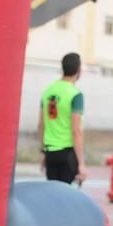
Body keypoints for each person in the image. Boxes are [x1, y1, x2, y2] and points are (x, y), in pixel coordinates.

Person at [38, 52, 86, 185]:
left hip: (51, 153)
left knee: (53, 196)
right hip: (67, 153)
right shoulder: (75, 95)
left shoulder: (48, 91)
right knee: (67, 196)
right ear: (78, 70)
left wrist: (44, 152)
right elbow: (76, 130)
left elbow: (41, 125)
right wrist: (81, 163)